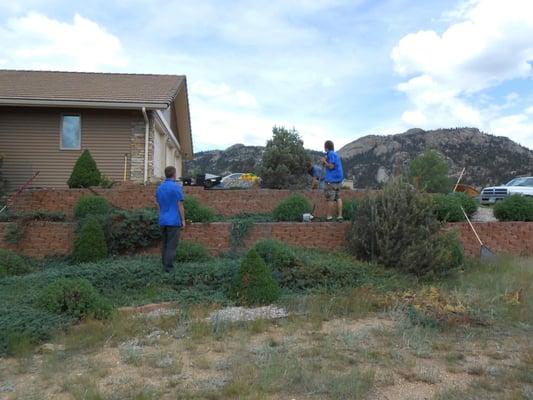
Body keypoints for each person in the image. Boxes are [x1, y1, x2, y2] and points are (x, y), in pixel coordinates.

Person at [156, 166, 186, 272]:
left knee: (164, 244)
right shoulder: (176, 187)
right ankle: (168, 268)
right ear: (174, 174)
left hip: (163, 220)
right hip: (173, 221)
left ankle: (164, 265)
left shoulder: (160, 187)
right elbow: (180, 205)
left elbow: (158, 204)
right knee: (171, 246)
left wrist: (161, 215)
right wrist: (183, 220)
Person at [321, 140, 344, 221]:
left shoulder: (330, 154)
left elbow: (331, 166)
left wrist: (324, 161)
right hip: (339, 180)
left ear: (326, 147)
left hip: (331, 181)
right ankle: (340, 216)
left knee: (330, 198)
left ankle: (329, 216)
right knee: (338, 197)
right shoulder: (335, 154)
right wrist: (325, 161)